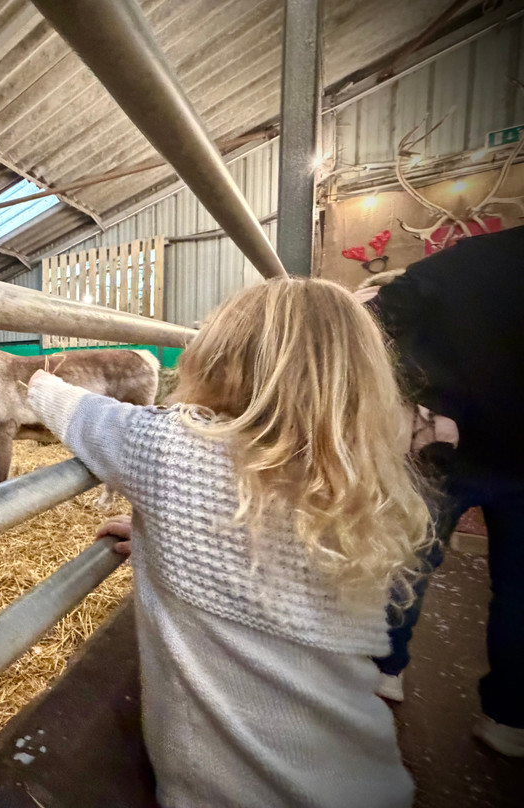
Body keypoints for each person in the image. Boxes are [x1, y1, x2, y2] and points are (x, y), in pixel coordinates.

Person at [27, 277, 430, 808]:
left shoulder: (169, 446)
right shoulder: (355, 482)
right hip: (367, 776)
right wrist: (162, 537)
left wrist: (30, 370)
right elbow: (253, 547)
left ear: (217, 359)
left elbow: (54, 398)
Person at [360, 226, 524, 757]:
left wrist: (416, 388)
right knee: (520, 592)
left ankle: (385, 669)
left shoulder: (474, 259)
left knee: (408, 561)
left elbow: (380, 315)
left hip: (444, 441)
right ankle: (508, 716)